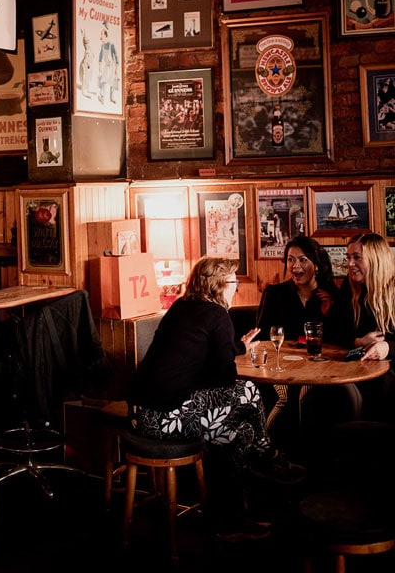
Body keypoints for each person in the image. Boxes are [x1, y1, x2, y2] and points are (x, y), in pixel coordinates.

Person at [128, 255, 304, 542]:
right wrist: (232, 352)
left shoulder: (181, 308)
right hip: (165, 416)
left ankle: (230, 518)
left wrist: (235, 347)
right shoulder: (218, 315)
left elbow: (196, 356)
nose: (236, 287)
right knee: (247, 391)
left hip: (140, 412)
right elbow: (223, 378)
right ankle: (266, 455)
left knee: (237, 432)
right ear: (218, 285)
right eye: (233, 282)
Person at [256, 236, 340, 442]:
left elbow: (338, 341)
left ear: (316, 265)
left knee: (308, 393)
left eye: (302, 260)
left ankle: (306, 454)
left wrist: (329, 313)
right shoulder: (275, 293)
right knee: (284, 396)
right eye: (291, 260)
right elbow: (262, 334)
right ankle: (267, 450)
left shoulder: (330, 294)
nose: (295, 266)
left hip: (317, 369)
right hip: (281, 368)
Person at [330, 232, 395, 420]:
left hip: (387, 372)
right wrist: (356, 340)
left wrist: (388, 347)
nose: (350, 264)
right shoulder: (349, 288)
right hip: (353, 368)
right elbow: (331, 330)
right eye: (348, 257)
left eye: (357, 257)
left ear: (376, 260)